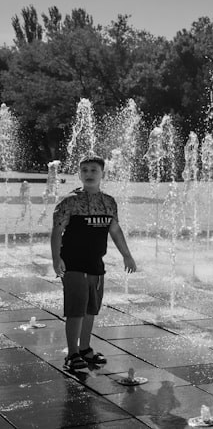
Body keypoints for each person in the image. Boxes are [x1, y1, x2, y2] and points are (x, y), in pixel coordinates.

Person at [51, 157, 137, 370]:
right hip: (73, 263)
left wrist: (127, 255)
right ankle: (72, 353)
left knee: (91, 309)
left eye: (94, 170)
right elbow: (57, 232)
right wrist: (56, 259)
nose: (89, 174)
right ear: (79, 174)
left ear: (102, 174)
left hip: (96, 264)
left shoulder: (109, 202)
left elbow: (115, 230)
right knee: (75, 310)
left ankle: (85, 349)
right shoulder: (70, 202)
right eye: (85, 170)